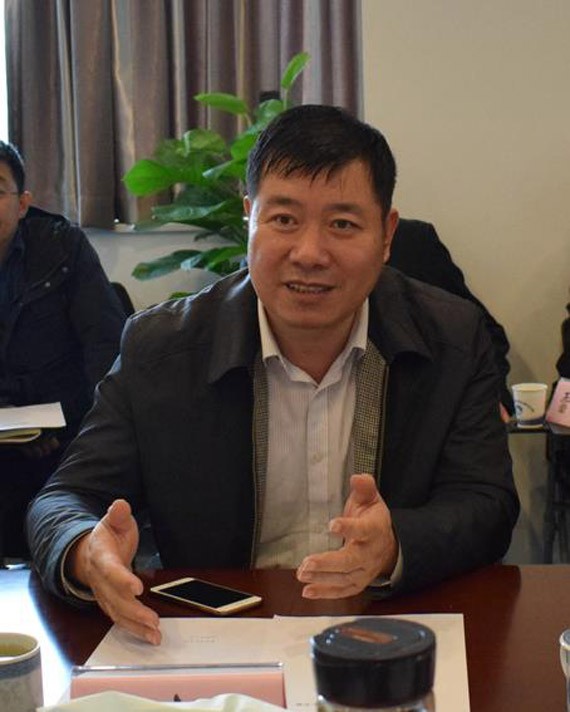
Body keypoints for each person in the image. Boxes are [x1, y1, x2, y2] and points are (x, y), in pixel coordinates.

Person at [27, 105, 519, 645]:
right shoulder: (162, 348)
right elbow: (64, 499)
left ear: (386, 235)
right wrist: (85, 551)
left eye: (342, 224)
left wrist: (396, 543)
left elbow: (488, 504)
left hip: (393, 632)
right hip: (222, 641)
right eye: (284, 219)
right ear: (250, 218)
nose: (309, 254)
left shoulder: (452, 338)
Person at [0, 141, 127, 560]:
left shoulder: (62, 247)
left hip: (63, 437)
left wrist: (73, 430)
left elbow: (106, 346)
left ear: (22, 203)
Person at [388, 219, 513, 418]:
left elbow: (482, 332)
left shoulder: (409, 242)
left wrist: (487, 399)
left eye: (343, 225)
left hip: (424, 417)